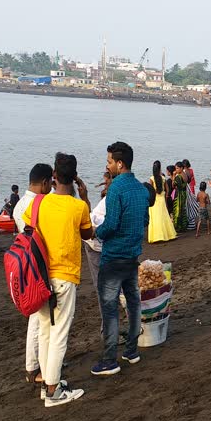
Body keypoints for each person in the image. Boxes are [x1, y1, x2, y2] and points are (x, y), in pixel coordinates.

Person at [22, 152, 93, 406]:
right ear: (74, 177)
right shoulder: (78, 206)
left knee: (44, 331)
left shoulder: (39, 204)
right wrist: (84, 197)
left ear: (53, 176)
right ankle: (53, 391)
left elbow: (30, 230)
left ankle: (47, 385)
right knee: (59, 333)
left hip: (40, 276)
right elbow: (88, 233)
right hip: (65, 275)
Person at [91, 142, 149, 377]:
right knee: (134, 304)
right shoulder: (141, 189)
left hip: (114, 256)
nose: (108, 165)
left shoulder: (116, 189)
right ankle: (132, 350)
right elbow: (145, 221)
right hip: (132, 255)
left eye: (109, 162)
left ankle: (109, 360)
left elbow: (111, 224)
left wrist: (97, 231)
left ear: (119, 163)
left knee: (110, 308)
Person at [13, 163, 54, 386]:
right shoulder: (40, 203)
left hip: (25, 266)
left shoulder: (20, 205)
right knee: (39, 321)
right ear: (45, 182)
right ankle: (33, 367)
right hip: (39, 267)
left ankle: (41, 362)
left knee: (37, 318)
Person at [148, 161, 177, 243]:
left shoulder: (151, 178)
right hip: (161, 199)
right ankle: (168, 234)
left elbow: (150, 190)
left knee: (155, 218)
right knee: (164, 216)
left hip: (154, 200)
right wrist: (166, 196)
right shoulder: (163, 178)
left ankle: (156, 236)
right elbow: (167, 190)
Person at [172, 162, 188, 233]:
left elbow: (173, 185)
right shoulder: (185, 175)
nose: (176, 170)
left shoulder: (178, 177)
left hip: (179, 194)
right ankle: (183, 225)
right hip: (184, 193)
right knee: (182, 209)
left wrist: (173, 175)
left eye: (177, 168)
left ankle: (177, 226)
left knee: (177, 210)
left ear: (181, 168)